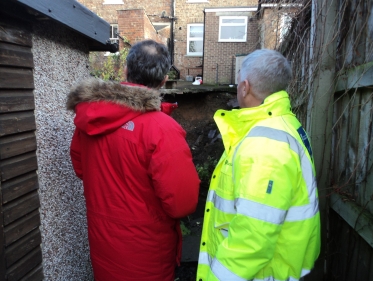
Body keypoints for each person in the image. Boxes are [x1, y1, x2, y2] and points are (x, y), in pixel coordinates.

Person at [67, 39, 200, 281]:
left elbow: (81, 167)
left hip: (104, 246)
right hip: (147, 255)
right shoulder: (162, 129)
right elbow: (182, 203)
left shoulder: (91, 119)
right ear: (163, 80)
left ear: (126, 71)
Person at [196, 49, 320, 281]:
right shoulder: (285, 124)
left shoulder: (266, 144)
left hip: (263, 274)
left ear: (245, 87)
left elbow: (254, 238)